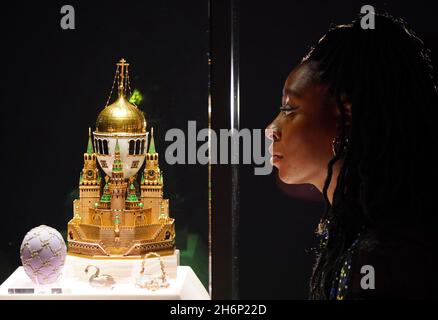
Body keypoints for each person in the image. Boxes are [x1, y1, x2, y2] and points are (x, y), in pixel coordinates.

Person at [265, 13, 438, 299]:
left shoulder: (388, 260)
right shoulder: (363, 238)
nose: (271, 128)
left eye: (289, 109)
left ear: (347, 118)